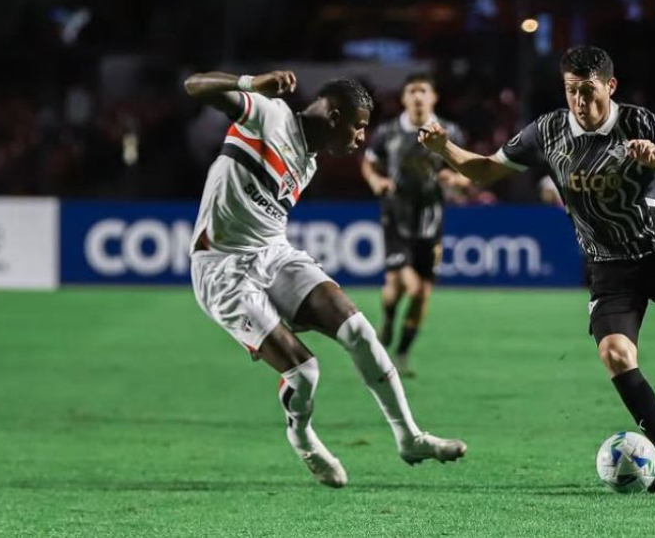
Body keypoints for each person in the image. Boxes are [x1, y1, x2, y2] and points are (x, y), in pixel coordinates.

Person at [419, 45, 655, 494]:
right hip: (609, 267)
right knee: (615, 355)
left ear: (609, 86)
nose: (579, 101)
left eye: (588, 90)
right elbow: (484, 171)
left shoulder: (639, 122)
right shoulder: (548, 130)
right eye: (571, 91)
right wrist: (445, 148)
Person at [184, 70, 465, 489]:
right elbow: (194, 86)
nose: (360, 138)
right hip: (223, 269)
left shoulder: (308, 162)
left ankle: (410, 437)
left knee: (359, 330)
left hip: (274, 254)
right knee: (305, 374)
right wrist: (249, 84)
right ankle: (302, 436)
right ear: (333, 115)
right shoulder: (269, 115)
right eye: (357, 126)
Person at [361, 73, 468, 377]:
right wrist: (376, 180)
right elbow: (369, 161)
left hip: (431, 222)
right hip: (396, 218)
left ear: (433, 97)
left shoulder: (451, 133)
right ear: (404, 98)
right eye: (412, 91)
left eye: (424, 90)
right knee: (407, 285)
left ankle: (402, 353)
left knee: (420, 294)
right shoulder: (388, 132)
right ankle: (388, 321)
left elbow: (468, 171)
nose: (418, 96)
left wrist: (456, 179)